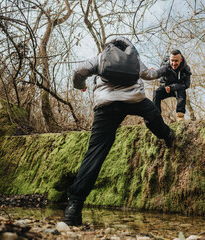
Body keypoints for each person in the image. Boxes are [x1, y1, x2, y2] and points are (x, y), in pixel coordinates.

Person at [63, 37, 174, 226]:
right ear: (129, 47)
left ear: (109, 47)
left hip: (106, 106)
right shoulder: (134, 59)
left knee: (95, 153)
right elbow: (150, 75)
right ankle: (167, 135)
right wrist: (165, 67)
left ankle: (74, 206)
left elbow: (78, 71)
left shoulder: (100, 57)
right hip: (135, 101)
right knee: (153, 114)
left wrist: (79, 85)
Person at [153, 50, 191, 121]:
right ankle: (156, 117)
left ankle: (180, 115)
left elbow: (186, 84)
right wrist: (154, 73)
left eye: (176, 61)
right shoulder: (166, 66)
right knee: (156, 92)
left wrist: (172, 87)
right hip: (165, 87)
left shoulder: (186, 69)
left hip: (177, 89)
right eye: (172, 61)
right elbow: (161, 71)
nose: (173, 63)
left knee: (182, 91)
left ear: (181, 60)